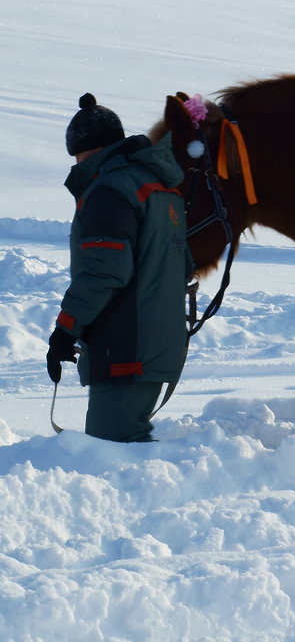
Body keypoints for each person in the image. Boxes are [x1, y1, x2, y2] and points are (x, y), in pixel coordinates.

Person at [46, 93, 193, 442]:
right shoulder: (159, 187)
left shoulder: (109, 191)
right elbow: (183, 264)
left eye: (77, 155)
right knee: (124, 447)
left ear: (88, 150)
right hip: (155, 342)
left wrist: (66, 329)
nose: (76, 163)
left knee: (114, 455)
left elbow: (103, 271)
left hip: (126, 347)